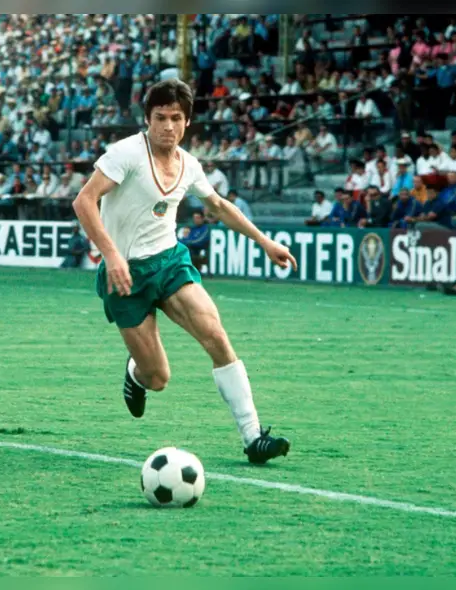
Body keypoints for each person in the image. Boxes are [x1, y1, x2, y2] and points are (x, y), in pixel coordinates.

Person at [71, 79, 298, 465]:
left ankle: (253, 436)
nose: (168, 127)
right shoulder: (125, 154)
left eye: (176, 118)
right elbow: (84, 200)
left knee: (215, 332)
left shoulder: (189, 164)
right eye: (160, 117)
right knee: (158, 378)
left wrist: (265, 241)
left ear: (187, 122)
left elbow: (220, 206)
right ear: (147, 119)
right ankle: (136, 373)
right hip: (125, 276)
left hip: (170, 262)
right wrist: (111, 255)